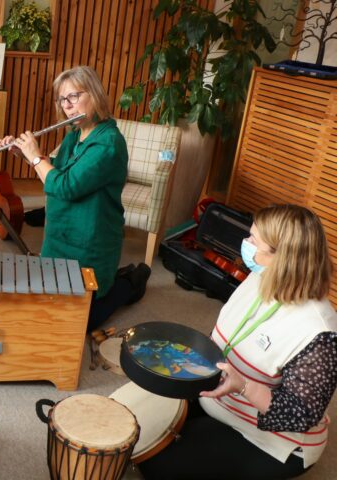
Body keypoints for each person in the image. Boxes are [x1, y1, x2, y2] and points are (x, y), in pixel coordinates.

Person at [138, 204, 337, 480]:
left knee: (158, 466)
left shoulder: (319, 332)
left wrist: (243, 386)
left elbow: (301, 414)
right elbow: (226, 335)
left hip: (271, 439)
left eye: (254, 240)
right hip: (221, 398)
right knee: (141, 428)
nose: (245, 244)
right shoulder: (259, 278)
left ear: (284, 258)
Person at [0, 65, 150, 332]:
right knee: (44, 304)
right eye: (62, 99)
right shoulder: (75, 135)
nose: (67, 106)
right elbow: (55, 171)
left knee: (80, 321)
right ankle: (117, 282)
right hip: (60, 237)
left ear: (94, 94)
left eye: (73, 97)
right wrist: (24, 154)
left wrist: (35, 156)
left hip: (90, 242)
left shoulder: (108, 143)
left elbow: (66, 186)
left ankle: (130, 282)